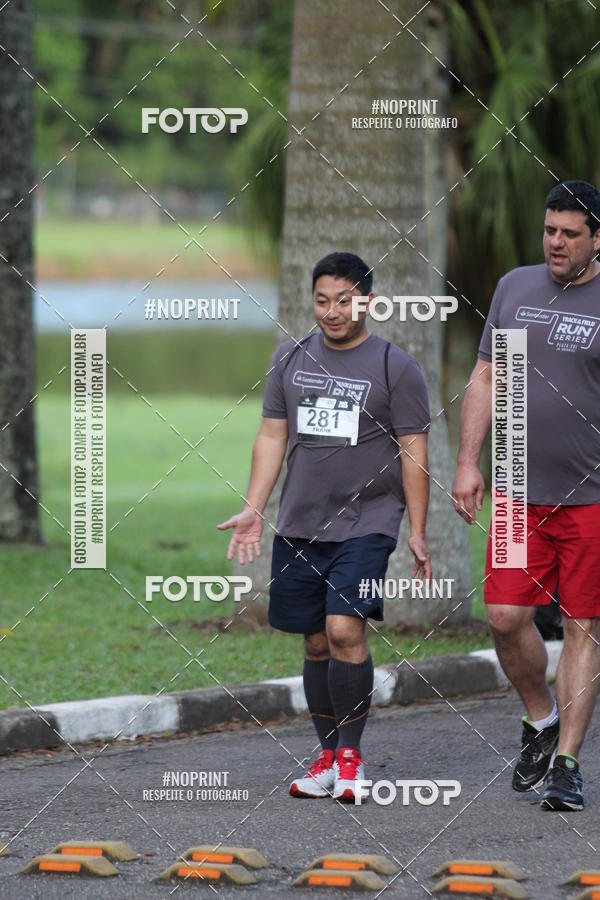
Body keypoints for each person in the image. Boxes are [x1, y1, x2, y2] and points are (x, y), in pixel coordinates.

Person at [218, 252, 431, 802]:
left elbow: (414, 452)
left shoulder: (394, 367)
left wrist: (417, 530)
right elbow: (271, 435)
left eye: (344, 300)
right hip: (301, 524)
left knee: (344, 630)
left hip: (369, 523)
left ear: (367, 301)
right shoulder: (289, 358)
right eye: (322, 300)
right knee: (315, 642)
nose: (332, 311)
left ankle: (353, 758)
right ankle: (329, 755)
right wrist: (253, 507)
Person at [452, 181, 600, 811]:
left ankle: (566, 762)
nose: (556, 242)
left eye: (569, 233)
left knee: (583, 625)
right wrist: (467, 461)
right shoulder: (516, 288)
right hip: (515, 490)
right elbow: (487, 375)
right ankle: (540, 717)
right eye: (549, 231)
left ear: (598, 239)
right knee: (506, 618)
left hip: (592, 495)